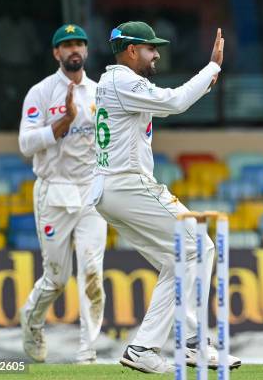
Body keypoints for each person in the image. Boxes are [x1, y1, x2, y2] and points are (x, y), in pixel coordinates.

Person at [88, 21, 241, 374]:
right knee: (198, 246)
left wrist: (207, 80)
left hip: (110, 188)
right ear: (130, 51)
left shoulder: (114, 83)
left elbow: (172, 101)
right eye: (150, 48)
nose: (157, 54)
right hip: (127, 184)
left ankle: (168, 344)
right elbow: (175, 102)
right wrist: (213, 66)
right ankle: (171, 345)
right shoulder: (124, 81)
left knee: (180, 260)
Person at [18, 24, 107, 364]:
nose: (74, 50)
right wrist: (61, 124)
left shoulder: (99, 93)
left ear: (86, 51)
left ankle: (87, 351)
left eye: (79, 44)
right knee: (56, 278)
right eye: (66, 45)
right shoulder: (40, 93)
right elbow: (25, 144)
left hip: (90, 193)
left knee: (92, 272)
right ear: (56, 53)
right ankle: (32, 320)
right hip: (54, 192)